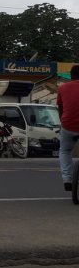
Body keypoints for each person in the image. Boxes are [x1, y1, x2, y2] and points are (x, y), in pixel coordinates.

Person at [57, 64, 79, 192]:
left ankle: (67, 179)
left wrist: (63, 122)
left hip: (67, 125)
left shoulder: (63, 88)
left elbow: (60, 108)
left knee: (65, 150)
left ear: (71, 76)